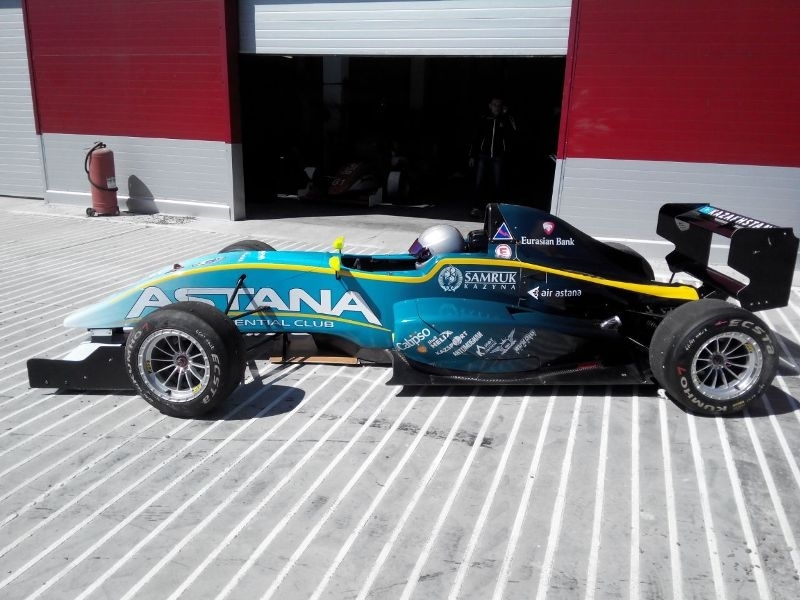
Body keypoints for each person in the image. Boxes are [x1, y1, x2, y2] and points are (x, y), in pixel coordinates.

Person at [468, 96, 517, 217]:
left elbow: (513, 134)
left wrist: (505, 116)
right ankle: (476, 207)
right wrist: (472, 156)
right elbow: (476, 138)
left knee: (499, 183)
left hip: (498, 156)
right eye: (494, 105)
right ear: (490, 106)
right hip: (483, 155)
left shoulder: (506, 119)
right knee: (479, 182)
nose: (497, 107)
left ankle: (499, 210)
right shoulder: (484, 119)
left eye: (499, 105)